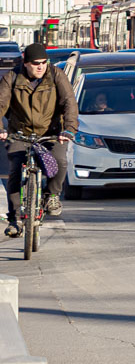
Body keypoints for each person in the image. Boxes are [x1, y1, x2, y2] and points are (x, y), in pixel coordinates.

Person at [0, 43, 78, 236]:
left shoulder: (56, 75)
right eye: (36, 63)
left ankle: (51, 195)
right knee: (15, 170)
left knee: (59, 162)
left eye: (44, 62)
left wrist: (68, 129)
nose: (41, 67)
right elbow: (1, 103)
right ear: (26, 63)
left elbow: (69, 102)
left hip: (50, 132)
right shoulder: (12, 77)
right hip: (20, 132)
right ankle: (15, 218)